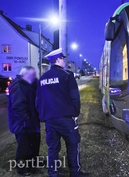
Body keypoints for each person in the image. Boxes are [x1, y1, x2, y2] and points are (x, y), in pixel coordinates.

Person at [36, 48, 88, 177]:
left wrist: (43, 116)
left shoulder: (42, 78)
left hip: (50, 120)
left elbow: (38, 101)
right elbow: (75, 97)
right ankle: (74, 173)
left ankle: (53, 173)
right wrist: (75, 113)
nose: (64, 60)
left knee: (53, 148)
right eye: (63, 58)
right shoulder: (67, 75)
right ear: (58, 60)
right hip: (66, 119)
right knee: (73, 145)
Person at [8, 66, 40, 176]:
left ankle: (32, 164)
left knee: (33, 144)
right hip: (22, 124)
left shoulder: (28, 83)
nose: (34, 78)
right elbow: (18, 107)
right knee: (24, 146)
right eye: (32, 76)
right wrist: (28, 121)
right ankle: (21, 169)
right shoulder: (18, 86)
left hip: (30, 122)